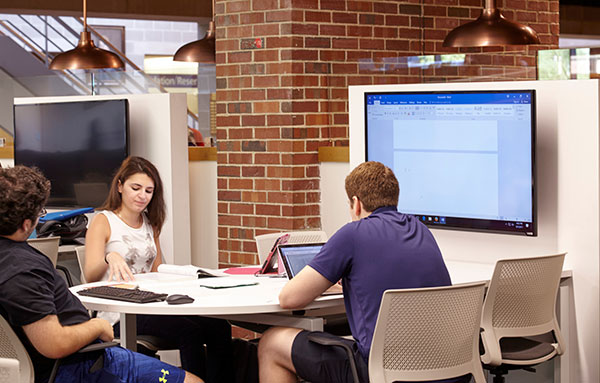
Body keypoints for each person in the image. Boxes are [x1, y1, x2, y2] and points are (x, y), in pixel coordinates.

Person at [0, 165, 202, 383]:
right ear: (27, 224)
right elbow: (53, 344)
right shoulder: (23, 270)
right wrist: (97, 326)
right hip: (80, 364)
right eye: (40, 213)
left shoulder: (13, 260)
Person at [258, 161, 454, 383]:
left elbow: (289, 298)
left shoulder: (352, 234)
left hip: (382, 371)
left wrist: (323, 284)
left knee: (271, 343)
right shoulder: (420, 229)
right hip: (443, 367)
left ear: (356, 203)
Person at [84, 156, 233, 383]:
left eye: (149, 190)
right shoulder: (103, 220)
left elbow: (156, 269)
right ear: (120, 186)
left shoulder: (149, 222)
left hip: (151, 303)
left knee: (219, 326)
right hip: (119, 311)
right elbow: (90, 274)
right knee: (189, 331)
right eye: (136, 188)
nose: (142, 196)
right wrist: (109, 256)